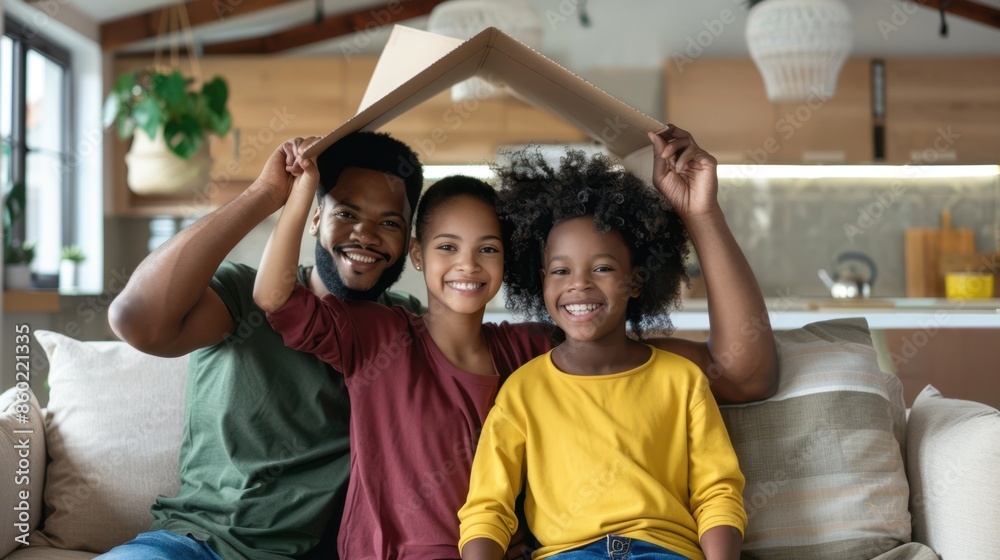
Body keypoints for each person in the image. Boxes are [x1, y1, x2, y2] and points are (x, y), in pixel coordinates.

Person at [104, 131, 426, 560]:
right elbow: (135, 320)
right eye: (346, 213)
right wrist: (265, 193)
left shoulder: (410, 326)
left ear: (407, 240)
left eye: (389, 223)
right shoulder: (242, 297)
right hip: (199, 545)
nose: (365, 235)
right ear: (314, 218)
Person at [458, 126, 774, 560]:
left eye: (603, 268)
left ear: (637, 281)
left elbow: (716, 492)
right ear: (540, 282)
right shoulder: (522, 391)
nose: (580, 284)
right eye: (561, 271)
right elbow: (487, 509)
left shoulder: (680, 379)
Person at [254, 169, 557, 559]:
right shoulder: (379, 335)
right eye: (447, 247)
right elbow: (274, 298)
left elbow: (621, 345)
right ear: (418, 254)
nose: (468, 265)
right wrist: (301, 193)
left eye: (488, 249)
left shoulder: (526, 349)